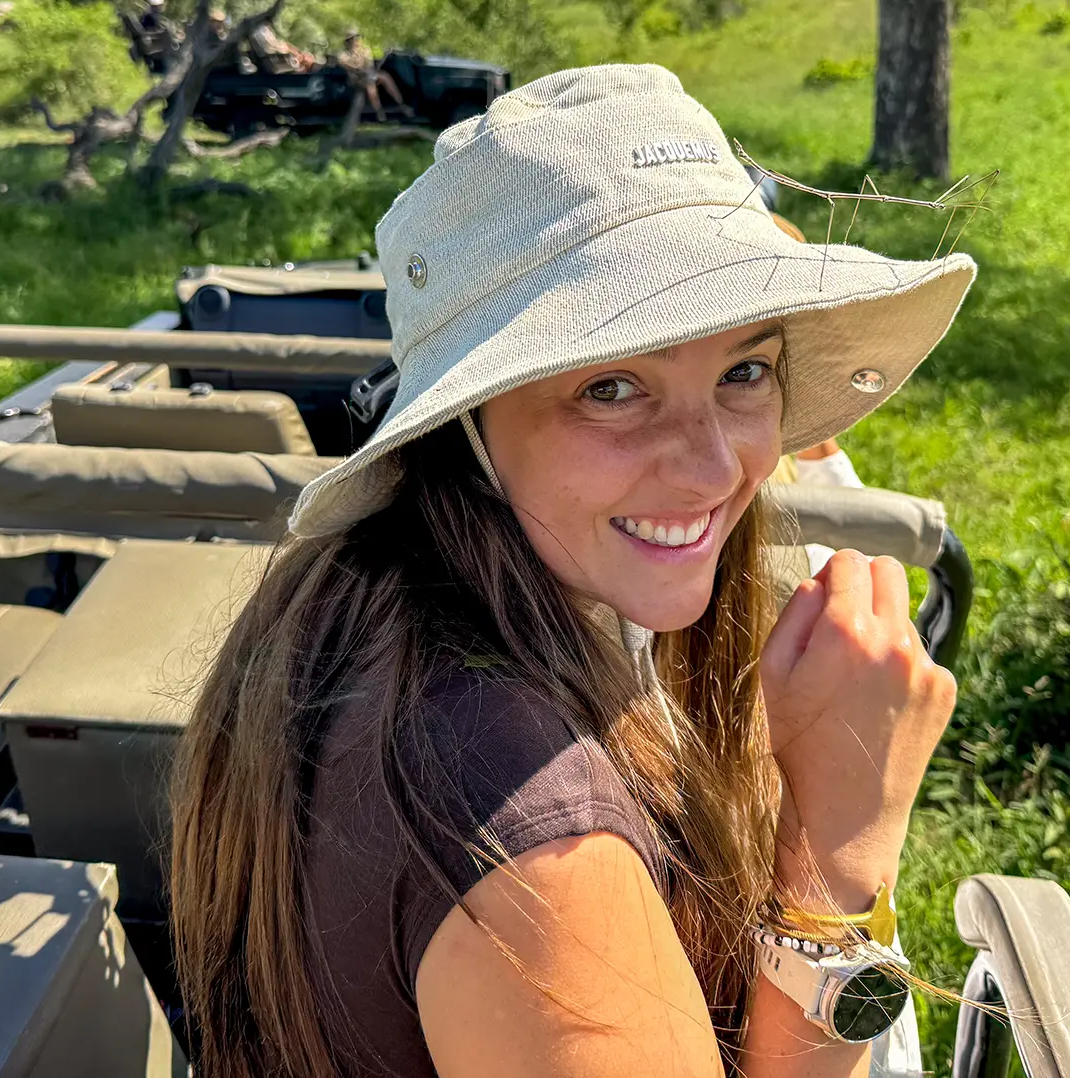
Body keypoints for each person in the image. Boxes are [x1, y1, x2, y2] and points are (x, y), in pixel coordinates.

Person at [170, 64, 977, 1078]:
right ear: (467, 421)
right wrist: (841, 851)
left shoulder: (364, 595)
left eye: (745, 371)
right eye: (612, 387)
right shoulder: (542, 849)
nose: (713, 464)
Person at [336, 23, 404, 120]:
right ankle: (379, 111)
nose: (356, 41)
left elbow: (369, 64)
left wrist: (367, 70)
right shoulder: (343, 55)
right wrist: (362, 68)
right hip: (355, 79)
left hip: (368, 75)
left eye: (357, 38)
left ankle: (400, 103)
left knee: (385, 77)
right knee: (370, 85)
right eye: (353, 38)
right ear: (348, 41)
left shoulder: (364, 50)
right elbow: (351, 67)